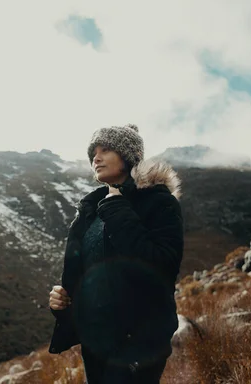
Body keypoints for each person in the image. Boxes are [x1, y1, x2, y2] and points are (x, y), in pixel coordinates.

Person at [48, 124, 184, 383]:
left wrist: (116, 207)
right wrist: (63, 303)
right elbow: (89, 275)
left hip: (140, 342)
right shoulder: (91, 209)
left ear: (128, 155)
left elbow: (161, 268)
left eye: (106, 149)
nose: (95, 158)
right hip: (96, 342)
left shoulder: (160, 203)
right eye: (93, 153)